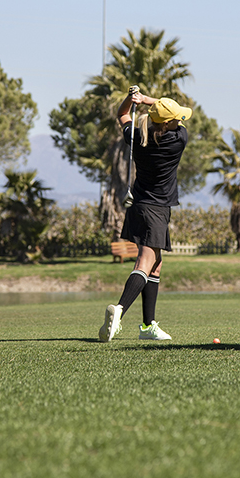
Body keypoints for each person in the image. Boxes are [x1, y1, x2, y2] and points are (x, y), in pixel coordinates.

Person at [98, 87, 192, 343]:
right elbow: (173, 117)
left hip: (139, 205)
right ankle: (119, 311)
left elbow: (122, 114)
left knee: (156, 264)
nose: (180, 121)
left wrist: (133, 99)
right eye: (177, 118)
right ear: (171, 123)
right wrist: (148, 99)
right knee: (145, 262)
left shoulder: (138, 137)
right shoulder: (178, 139)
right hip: (157, 209)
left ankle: (148, 326)